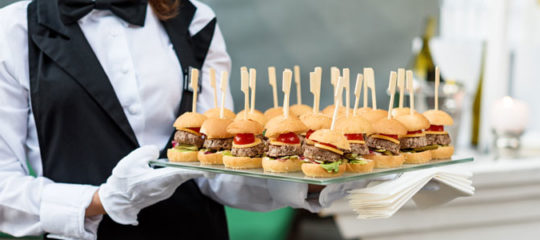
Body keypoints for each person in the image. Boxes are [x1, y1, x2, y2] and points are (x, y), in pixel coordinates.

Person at [0, 0, 389, 239]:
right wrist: (100, 201)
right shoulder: (14, 30)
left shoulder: (195, 21)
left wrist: (307, 186)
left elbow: (215, 171)